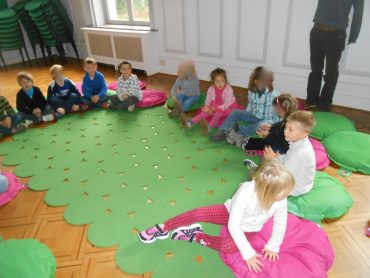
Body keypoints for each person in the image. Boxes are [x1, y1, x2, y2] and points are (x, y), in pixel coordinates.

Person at [138, 160, 295, 273]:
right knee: (198, 212)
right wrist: (249, 254)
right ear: (267, 191)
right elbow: (233, 225)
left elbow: (281, 222)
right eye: (284, 192)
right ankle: (164, 228)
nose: (287, 195)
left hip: (250, 228)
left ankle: (195, 235)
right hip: (229, 212)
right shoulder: (246, 192)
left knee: (227, 247)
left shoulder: (281, 199)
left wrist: (273, 246)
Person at [306, 0, 364, 111]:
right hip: (316, 30)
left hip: (336, 35)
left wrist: (353, 36)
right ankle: (311, 101)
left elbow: (358, 13)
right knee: (315, 70)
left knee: (331, 72)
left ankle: (324, 105)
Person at [210, 67, 279, 143]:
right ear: (255, 81)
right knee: (235, 112)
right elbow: (250, 104)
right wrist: (245, 114)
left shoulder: (273, 95)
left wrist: (270, 125)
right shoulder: (252, 91)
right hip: (254, 115)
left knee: (258, 125)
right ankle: (222, 131)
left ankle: (238, 131)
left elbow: (278, 116)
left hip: (267, 120)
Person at [264, 111, 316, 196]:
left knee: (262, 186)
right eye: (285, 127)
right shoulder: (297, 142)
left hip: (295, 187)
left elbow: (284, 175)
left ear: (303, 134)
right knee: (266, 170)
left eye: (290, 130)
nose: (285, 131)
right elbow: (287, 159)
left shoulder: (300, 153)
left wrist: (273, 160)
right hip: (291, 175)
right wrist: (277, 157)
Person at [180, 68, 236, 136]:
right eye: (217, 81)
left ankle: (209, 127)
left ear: (225, 80)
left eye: (222, 81)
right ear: (213, 81)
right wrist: (207, 106)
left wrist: (216, 109)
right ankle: (190, 122)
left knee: (217, 113)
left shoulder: (229, 89)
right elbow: (208, 100)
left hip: (228, 107)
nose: (220, 83)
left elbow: (226, 104)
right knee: (204, 112)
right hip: (215, 105)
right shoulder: (211, 89)